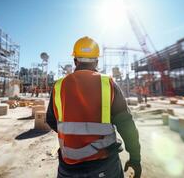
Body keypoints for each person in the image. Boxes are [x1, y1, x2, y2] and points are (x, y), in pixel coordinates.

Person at [46, 36, 141, 178]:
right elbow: (126, 125)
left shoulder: (59, 86)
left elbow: (51, 120)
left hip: (68, 169)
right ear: (97, 61)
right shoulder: (107, 83)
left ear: (75, 60)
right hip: (105, 167)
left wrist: (73, 138)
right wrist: (135, 158)